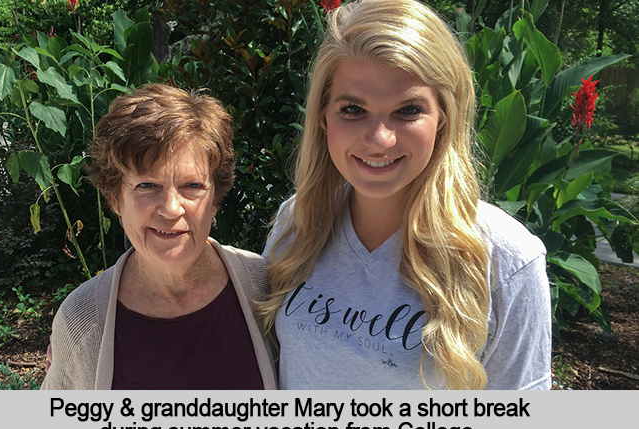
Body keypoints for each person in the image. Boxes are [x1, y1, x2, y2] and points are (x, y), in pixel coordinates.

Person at [258, 0, 551, 390]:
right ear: (323, 116)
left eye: (408, 110)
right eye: (352, 109)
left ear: (443, 118)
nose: (380, 139)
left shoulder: (506, 259)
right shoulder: (296, 223)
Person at [42, 84, 276, 390]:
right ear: (115, 197)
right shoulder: (82, 320)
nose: (170, 208)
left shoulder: (268, 290)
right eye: (147, 185)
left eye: (192, 185)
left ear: (216, 197)